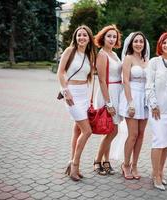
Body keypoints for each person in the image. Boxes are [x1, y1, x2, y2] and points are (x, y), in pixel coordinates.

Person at [57, 25, 96, 181]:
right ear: (75, 37)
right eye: (79, 35)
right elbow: (60, 73)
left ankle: (71, 162)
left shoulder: (89, 55)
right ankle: (75, 165)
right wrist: (65, 91)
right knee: (87, 131)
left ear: (89, 38)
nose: (82, 38)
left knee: (78, 130)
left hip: (83, 95)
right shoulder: (69, 51)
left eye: (85, 35)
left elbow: (90, 76)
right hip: (71, 93)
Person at [145, 32, 167, 190]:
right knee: (158, 141)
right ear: (160, 45)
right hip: (157, 110)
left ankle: (160, 172)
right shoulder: (154, 62)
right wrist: (153, 104)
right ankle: (155, 175)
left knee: (166, 143)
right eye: (164, 43)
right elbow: (149, 85)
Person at [119, 32, 150, 180]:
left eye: (141, 41)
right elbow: (125, 80)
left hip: (144, 99)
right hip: (131, 96)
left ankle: (135, 164)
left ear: (144, 44)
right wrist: (130, 102)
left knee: (141, 135)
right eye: (136, 41)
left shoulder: (146, 59)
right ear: (131, 43)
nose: (139, 44)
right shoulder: (128, 58)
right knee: (133, 135)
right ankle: (125, 165)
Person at [92, 25, 122, 175]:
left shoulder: (114, 54)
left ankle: (106, 161)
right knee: (113, 130)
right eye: (109, 36)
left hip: (117, 92)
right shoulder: (102, 55)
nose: (112, 39)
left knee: (110, 130)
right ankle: (97, 161)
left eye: (114, 36)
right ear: (103, 38)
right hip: (107, 93)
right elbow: (102, 81)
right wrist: (108, 103)